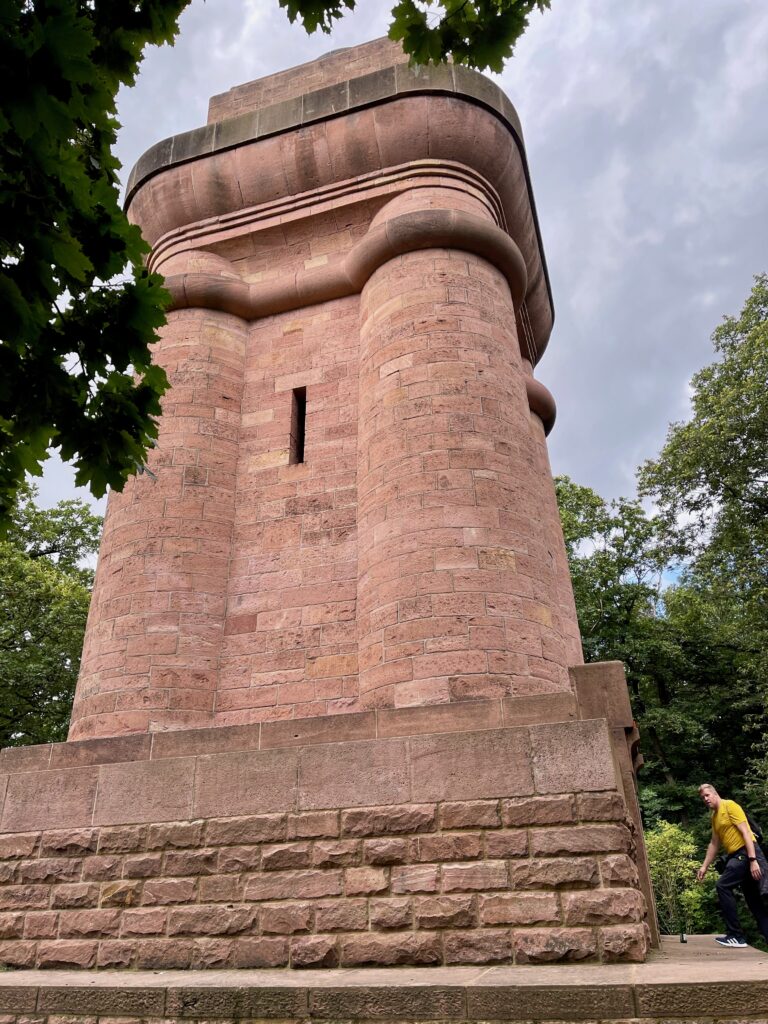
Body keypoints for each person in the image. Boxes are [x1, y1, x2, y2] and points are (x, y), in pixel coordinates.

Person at [696, 782, 768, 948]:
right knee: (755, 904)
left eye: (707, 795)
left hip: (746, 853)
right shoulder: (715, 817)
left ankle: (736, 935)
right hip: (738, 856)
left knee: (723, 886)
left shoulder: (730, 806)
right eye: (702, 798)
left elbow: (746, 833)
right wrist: (704, 866)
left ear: (715, 794)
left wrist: (753, 860)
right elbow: (714, 844)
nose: (705, 799)